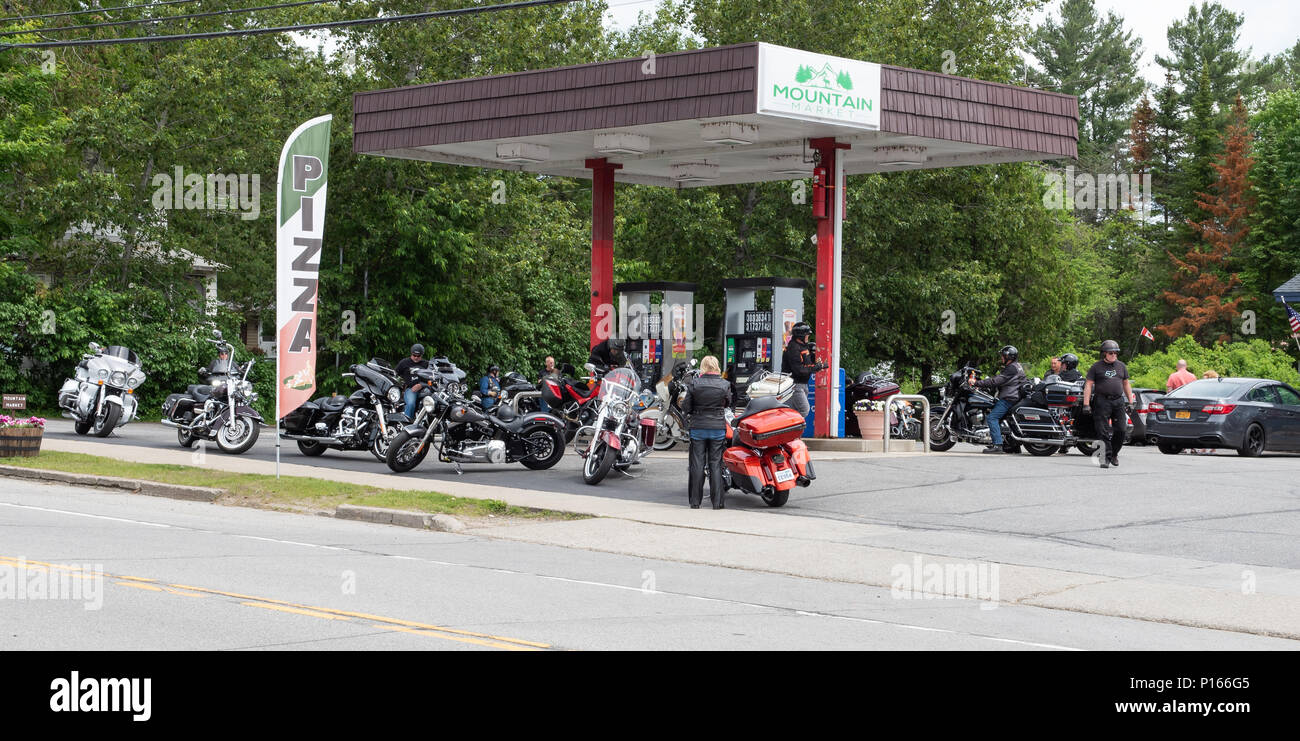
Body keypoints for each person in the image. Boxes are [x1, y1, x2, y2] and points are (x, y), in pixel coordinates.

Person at [681, 355, 732, 509]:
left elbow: (686, 407)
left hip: (698, 428)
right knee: (715, 464)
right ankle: (717, 503)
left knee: (697, 464)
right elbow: (728, 403)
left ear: (703, 367)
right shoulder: (725, 384)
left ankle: (695, 502)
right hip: (717, 428)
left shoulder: (694, 383)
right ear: (716, 366)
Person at [1082, 340, 1135, 469]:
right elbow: (1088, 385)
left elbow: (1126, 384)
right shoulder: (1096, 367)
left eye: (1116, 353)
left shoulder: (1121, 366)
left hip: (1118, 401)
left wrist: (1131, 401)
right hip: (1102, 401)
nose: (1113, 355)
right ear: (1104, 353)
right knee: (1102, 431)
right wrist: (1086, 404)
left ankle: (1114, 453)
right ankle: (1105, 458)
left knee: (1121, 430)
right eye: (1111, 353)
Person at [972, 345, 1026, 453]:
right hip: (1015, 396)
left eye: (1003, 355)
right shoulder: (1017, 366)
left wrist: (976, 383)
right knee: (1002, 418)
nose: (1001, 358)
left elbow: (996, 381)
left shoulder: (1011, 368)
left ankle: (997, 445)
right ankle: (1012, 445)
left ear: (1008, 357)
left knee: (992, 418)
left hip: (1009, 398)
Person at [781, 322, 825, 417]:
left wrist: (817, 362)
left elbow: (807, 362)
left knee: (793, 410)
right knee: (804, 410)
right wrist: (815, 367)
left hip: (802, 384)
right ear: (800, 336)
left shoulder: (802, 346)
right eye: (806, 335)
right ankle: (789, 428)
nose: (808, 337)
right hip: (794, 384)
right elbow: (799, 370)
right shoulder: (793, 349)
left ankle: (791, 430)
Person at [395, 344, 430, 420]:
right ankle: (407, 424)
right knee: (411, 404)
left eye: (418, 356)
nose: (416, 358)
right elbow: (394, 374)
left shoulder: (427, 364)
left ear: (422, 355)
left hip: (425, 389)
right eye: (414, 355)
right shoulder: (404, 363)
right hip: (411, 389)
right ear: (411, 354)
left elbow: (432, 378)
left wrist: (421, 385)